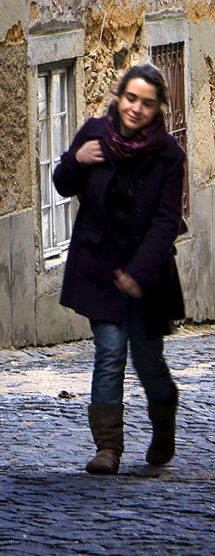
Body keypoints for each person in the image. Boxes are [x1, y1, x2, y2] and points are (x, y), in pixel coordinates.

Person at [53, 62, 186, 475]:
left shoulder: (169, 155)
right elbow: (61, 182)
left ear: (158, 107)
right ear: (119, 97)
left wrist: (140, 273)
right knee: (109, 352)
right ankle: (108, 448)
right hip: (100, 268)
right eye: (130, 98)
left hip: (146, 278)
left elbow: (167, 222)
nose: (135, 109)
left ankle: (164, 424)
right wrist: (77, 159)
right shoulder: (94, 134)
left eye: (146, 103)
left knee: (149, 362)